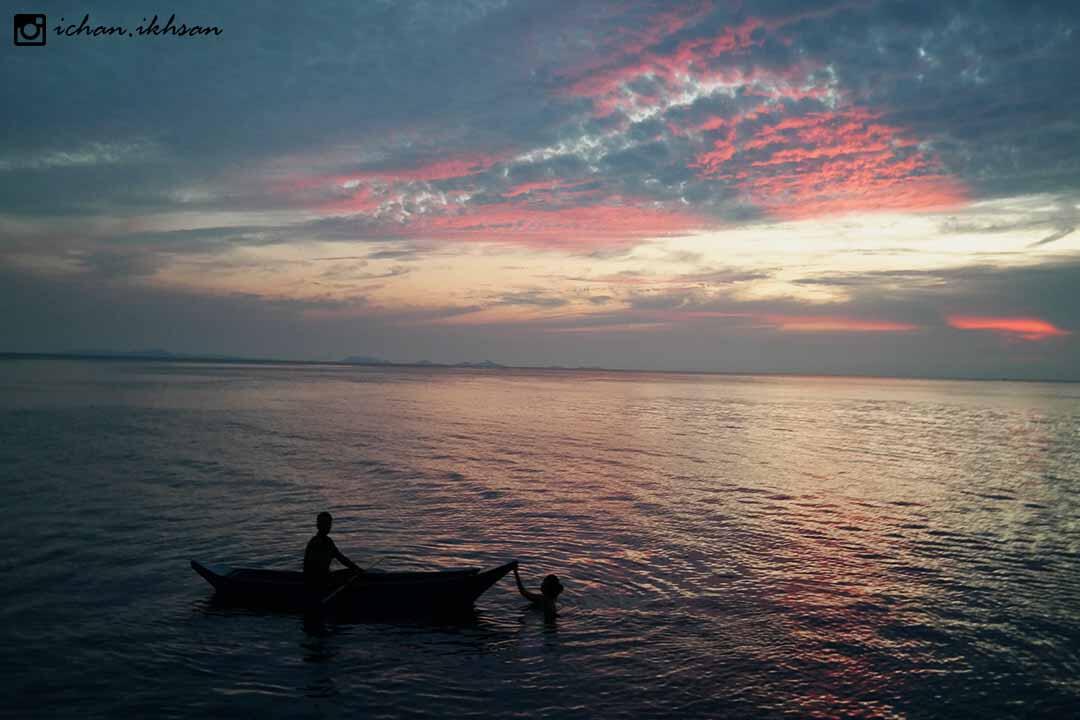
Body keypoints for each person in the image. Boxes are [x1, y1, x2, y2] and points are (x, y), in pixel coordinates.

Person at [303, 511, 362, 595]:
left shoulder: (328, 541)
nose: (327, 526)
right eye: (324, 523)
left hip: (326, 577)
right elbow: (310, 569)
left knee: (352, 572)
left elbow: (341, 558)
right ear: (318, 525)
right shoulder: (315, 543)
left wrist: (357, 568)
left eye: (328, 524)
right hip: (317, 581)